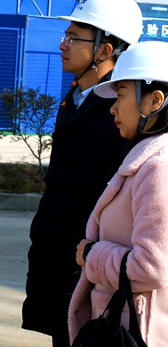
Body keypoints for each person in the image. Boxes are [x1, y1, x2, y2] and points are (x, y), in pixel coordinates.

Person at [22, 0, 143, 346]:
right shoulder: (75, 96)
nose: (63, 44)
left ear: (105, 50)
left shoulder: (119, 113)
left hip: (87, 263)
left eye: (74, 37)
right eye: (66, 35)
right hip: (57, 255)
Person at [68, 41, 168, 345]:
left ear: (155, 101)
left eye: (121, 94)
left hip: (135, 331)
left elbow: (151, 267)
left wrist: (91, 255)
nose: (112, 108)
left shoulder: (158, 168)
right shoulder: (146, 158)